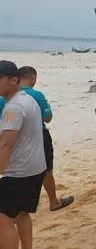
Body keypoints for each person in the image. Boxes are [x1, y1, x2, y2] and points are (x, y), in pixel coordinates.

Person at [0, 61, 47, 249]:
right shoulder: (29, 100)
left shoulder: (13, 107)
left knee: (4, 219)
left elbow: (6, 144)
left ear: (13, 80)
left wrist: (1, 171)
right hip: (36, 168)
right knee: (21, 213)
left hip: (19, 171)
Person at [13, 67, 73, 211]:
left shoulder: (6, 96)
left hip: (14, 136)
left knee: (18, 169)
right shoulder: (36, 95)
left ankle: (17, 205)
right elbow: (48, 118)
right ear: (33, 79)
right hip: (38, 134)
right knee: (46, 169)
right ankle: (53, 202)